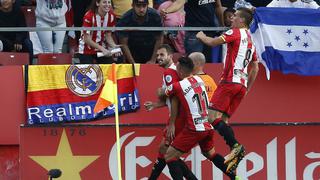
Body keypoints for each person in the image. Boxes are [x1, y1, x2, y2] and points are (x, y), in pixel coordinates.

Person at [196, 7, 259, 172]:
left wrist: (201, 35)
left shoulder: (235, 32)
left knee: (210, 117)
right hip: (241, 86)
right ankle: (234, 152)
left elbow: (211, 42)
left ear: (242, 21)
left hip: (229, 82)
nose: (232, 19)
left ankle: (236, 146)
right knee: (222, 121)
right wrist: (247, 89)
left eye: (236, 16)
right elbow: (256, 67)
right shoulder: (251, 41)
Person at [162, 57, 240, 180]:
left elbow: (163, 93)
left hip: (195, 128)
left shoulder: (178, 85)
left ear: (180, 69)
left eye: (177, 68)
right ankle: (235, 177)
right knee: (211, 154)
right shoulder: (200, 80)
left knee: (170, 157)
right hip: (208, 126)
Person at [144, 45, 196, 180]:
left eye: (162, 55)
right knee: (165, 151)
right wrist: (156, 105)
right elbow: (173, 96)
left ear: (170, 56)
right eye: (157, 55)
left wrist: (172, 123)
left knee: (166, 152)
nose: (159, 58)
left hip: (178, 117)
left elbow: (175, 98)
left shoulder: (169, 73)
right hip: (180, 115)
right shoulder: (173, 72)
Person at [160, 0, 224, 61]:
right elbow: (179, 2)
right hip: (194, 32)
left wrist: (222, 25)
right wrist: (166, 11)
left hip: (210, 31)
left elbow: (218, 7)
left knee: (208, 62)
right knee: (193, 62)